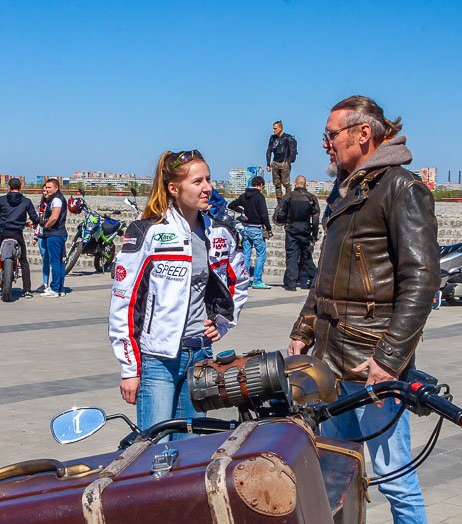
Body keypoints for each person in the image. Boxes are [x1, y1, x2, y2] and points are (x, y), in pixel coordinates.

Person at [287, 95, 439, 524]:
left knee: (397, 476)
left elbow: (422, 281)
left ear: (363, 134)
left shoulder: (402, 188)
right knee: (335, 472)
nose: (325, 142)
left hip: (374, 364)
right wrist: (303, 329)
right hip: (329, 359)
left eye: (332, 133)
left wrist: (391, 360)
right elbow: (324, 276)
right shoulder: (345, 188)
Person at [109, 150, 249, 438]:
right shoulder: (146, 231)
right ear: (174, 188)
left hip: (200, 357)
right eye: (197, 181)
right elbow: (124, 301)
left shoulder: (220, 232)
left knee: (190, 452)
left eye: (208, 179)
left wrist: (222, 322)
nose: (207, 187)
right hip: (157, 359)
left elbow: (239, 282)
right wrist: (129, 368)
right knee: (153, 450)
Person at [0, 177, 38, 297]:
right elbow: (34, 218)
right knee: (23, 261)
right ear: (20, 188)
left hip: (3, 232)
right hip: (17, 233)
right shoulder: (26, 201)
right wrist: (34, 222)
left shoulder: (2, 200)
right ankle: (27, 290)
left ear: (8, 187)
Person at [273, 175, 321, 290]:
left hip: (292, 229)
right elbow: (315, 218)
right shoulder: (311, 198)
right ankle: (316, 279)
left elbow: (280, 214)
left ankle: (291, 283)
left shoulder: (288, 196)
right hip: (305, 229)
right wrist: (314, 235)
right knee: (307, 256)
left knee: (292, 256)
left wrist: (284, 221)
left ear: (295, 184)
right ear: (305, 184)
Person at [229, 176, 272, 289]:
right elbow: (264, 214)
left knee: (246, 254)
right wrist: (269, 228)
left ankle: (246, 279)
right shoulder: (259, 197)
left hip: (246, 228)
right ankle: (257, 280)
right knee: (261, 254)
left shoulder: (244, 196)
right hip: (256, 228)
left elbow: (231, 205)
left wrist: (242, 210)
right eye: (262, 186)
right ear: (260, 185)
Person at [38, 178, 68, 297]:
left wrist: (45, 226)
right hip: (57, 233)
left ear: (56, 188)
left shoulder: (56, 199)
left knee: (54, 262)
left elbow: (54, 217)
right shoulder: (56, 198)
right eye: (46, 188)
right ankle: (60, 288)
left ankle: (55, 289)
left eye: (50, 187)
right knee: (59, 263)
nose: (47, 190)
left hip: (55, 234)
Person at [264, 121, 297, 201]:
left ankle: (289, 200)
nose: (273, 130)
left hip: (284, 162)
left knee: (286, 183)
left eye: (275, 128)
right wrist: (268, 164)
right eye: (273, 129)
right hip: (275, 162)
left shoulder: (288, 138)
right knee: (277, 184)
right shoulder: (272, 138)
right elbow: (269, 150)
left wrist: (289, 161)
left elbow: (293, 151)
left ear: (280, 128)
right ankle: (279, 202)